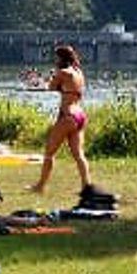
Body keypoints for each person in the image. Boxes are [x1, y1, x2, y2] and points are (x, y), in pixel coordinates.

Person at [29, 43, 91, 197]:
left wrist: (42, 79)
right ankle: (86, 186)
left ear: (61, 58)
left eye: (56, 57)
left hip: (67, 115)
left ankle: (40, 186)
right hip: (80, 115)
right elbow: (66, 88)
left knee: (49, 153)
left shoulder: (63, 72)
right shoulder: (78, 72)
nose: (55, 60)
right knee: (79, 155)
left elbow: (50, 87)